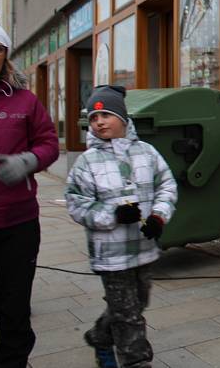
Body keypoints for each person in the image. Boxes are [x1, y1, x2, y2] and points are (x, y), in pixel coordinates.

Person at [65, 85, 177, 368]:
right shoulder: (86, 162)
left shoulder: (147, 152)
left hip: (144, 248)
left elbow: (167, 186)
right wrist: (112, 214)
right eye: (93, 117)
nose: (99, 121)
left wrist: (158, 216)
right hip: (111, 256)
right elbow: (77, 203)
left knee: (136, 303)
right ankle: (136, 362)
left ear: (123, 118)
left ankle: (100, 336)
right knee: (129, 317)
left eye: (106, 115)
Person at [0, 20, 59, 368]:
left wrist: (29, 160)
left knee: (14, 306)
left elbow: (49, 144)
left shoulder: (25, 101)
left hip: (18, 222)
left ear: (6, 55)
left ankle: (12, 362)